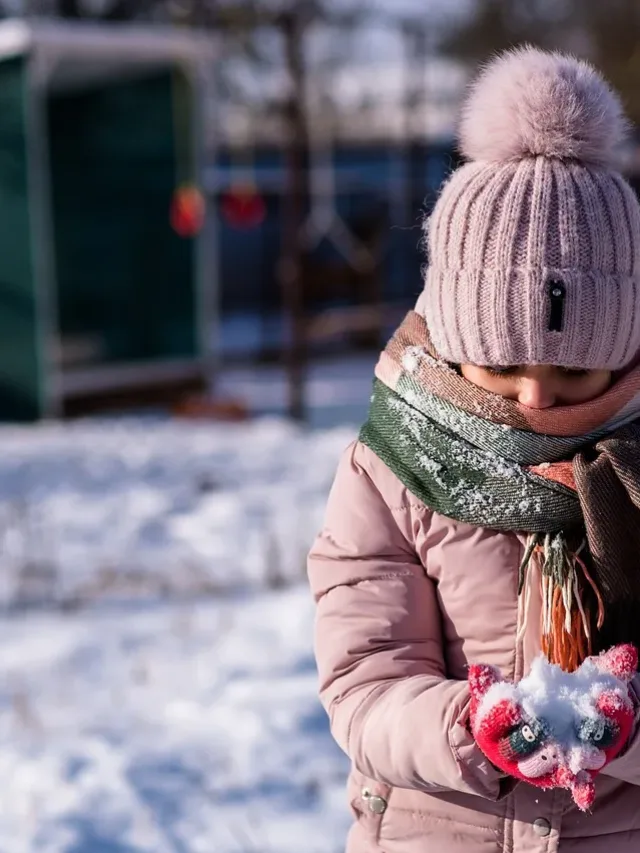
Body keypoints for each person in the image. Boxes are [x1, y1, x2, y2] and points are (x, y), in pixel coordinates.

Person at [307, 46, 640, 853]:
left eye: (572, 368)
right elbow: (365, 683)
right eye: (501, 365)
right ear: (455, 342)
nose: (533, 395)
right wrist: (466, 728)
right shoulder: (392, 468)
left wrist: (626, 734)